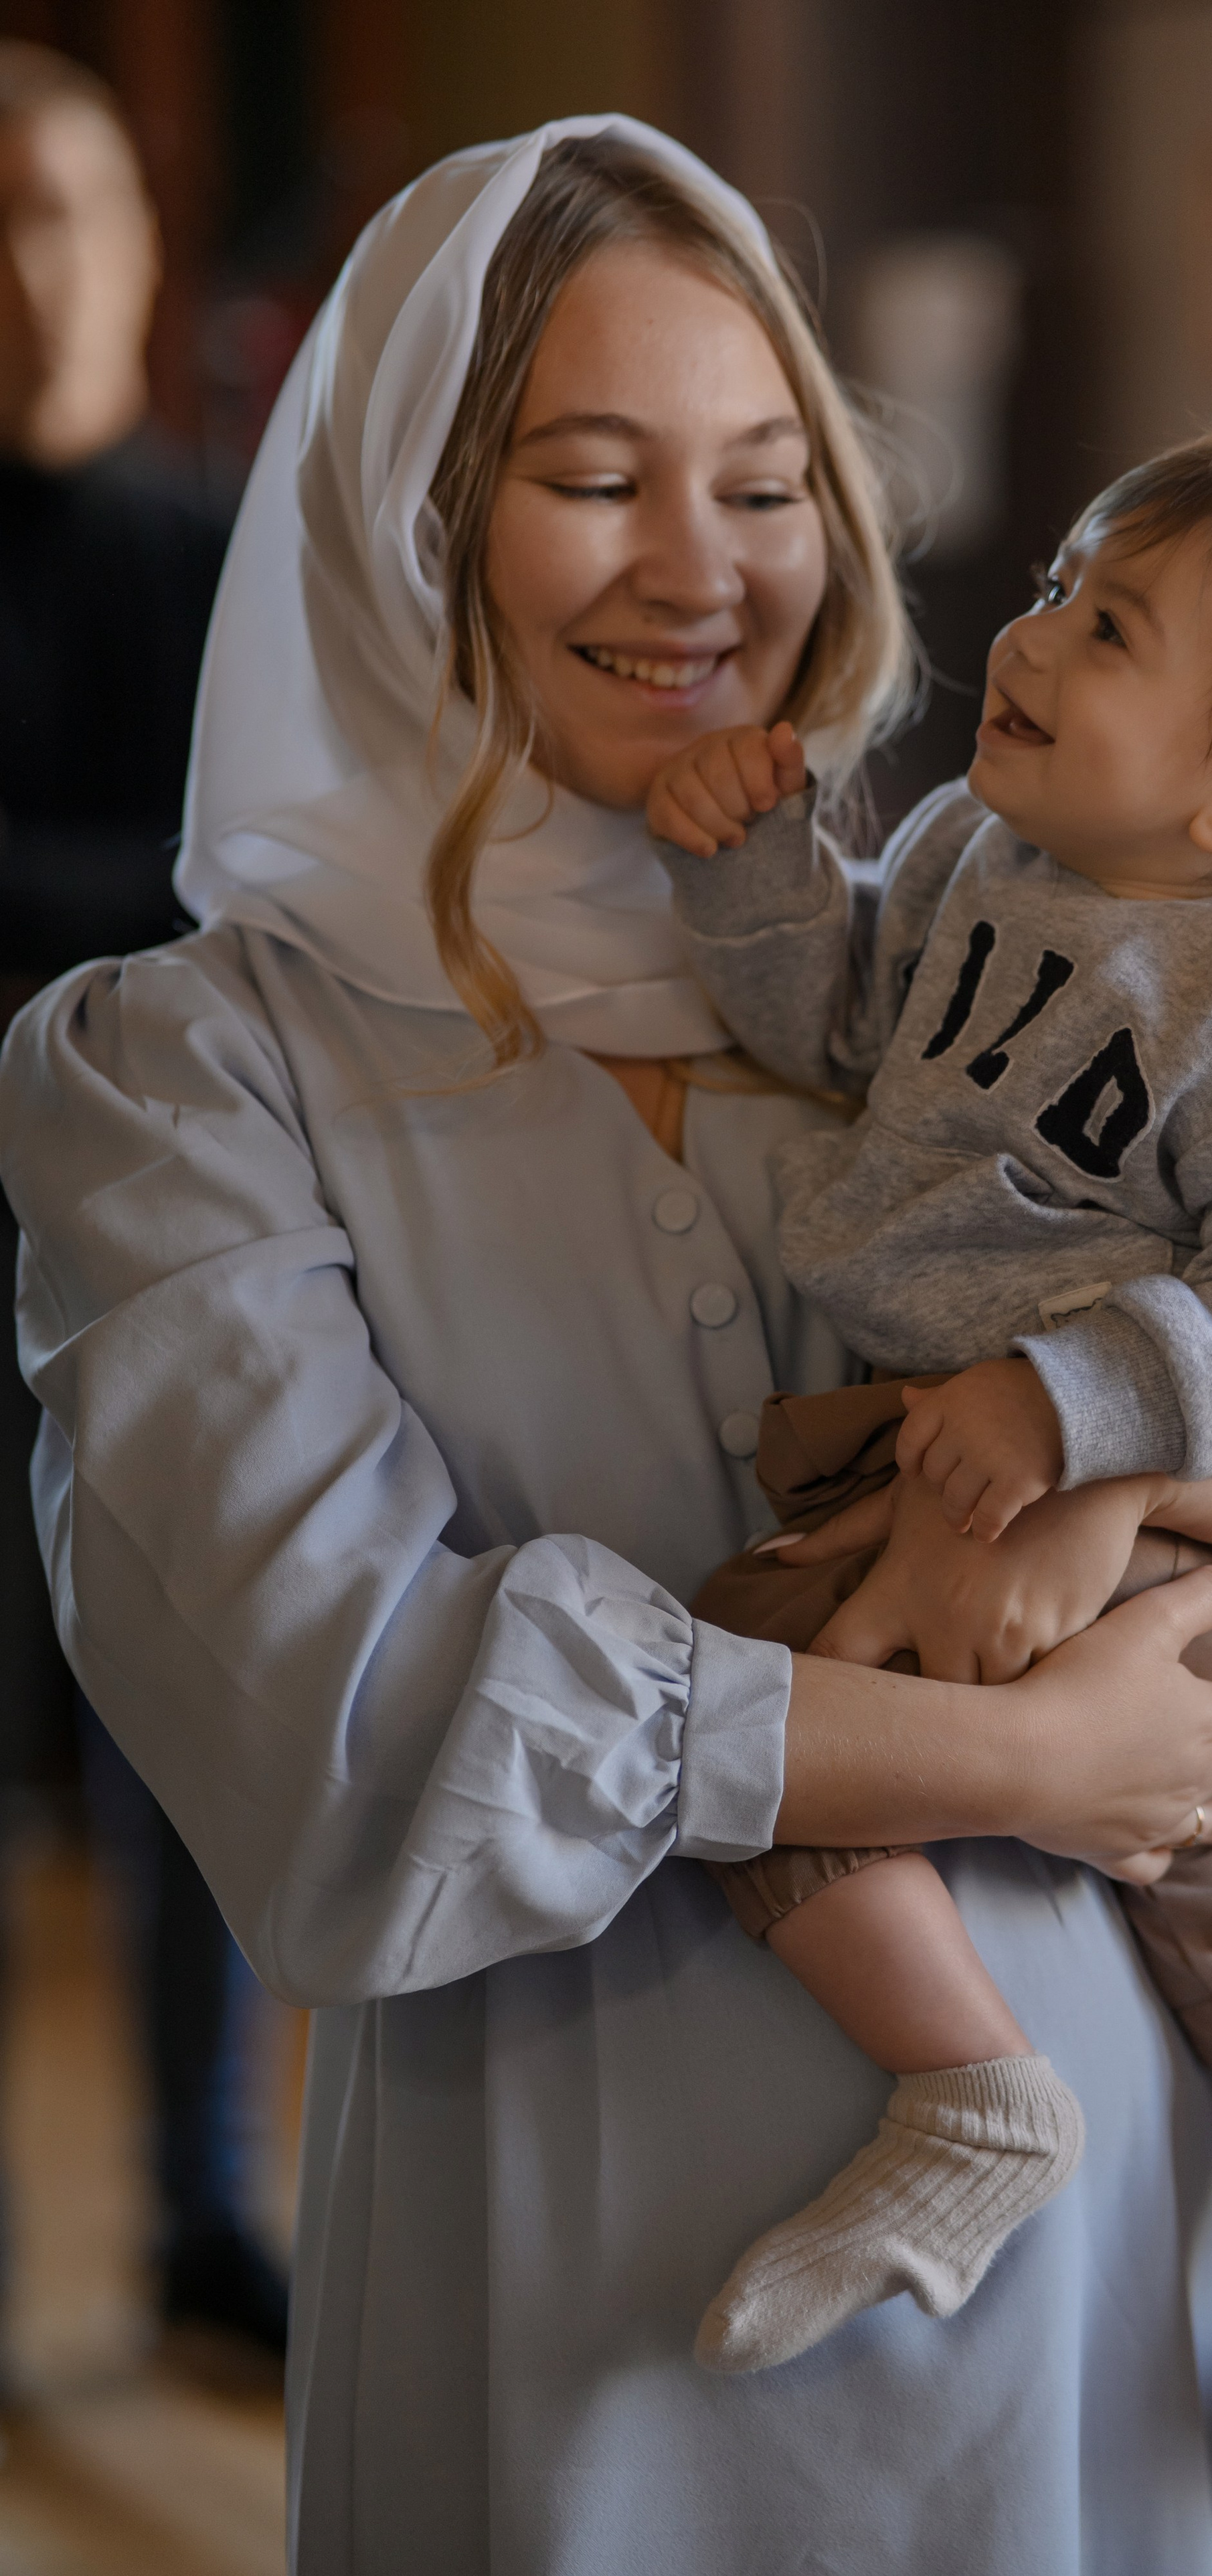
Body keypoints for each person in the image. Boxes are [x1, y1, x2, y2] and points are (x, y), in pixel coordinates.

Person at [0, 118, 1212, 2574]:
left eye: (764, 483)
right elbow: (342, 1712)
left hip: (1126, 2280)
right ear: (408, 516)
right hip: (588, 2292)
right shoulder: (189, 1072)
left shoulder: (983, 933)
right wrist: (1030, 1756)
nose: (702, 570)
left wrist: (1157, 1476)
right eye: (592, 480)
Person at [646, 413, 1212, 2492]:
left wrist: (1088, 1423)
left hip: (1114, 1493)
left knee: (776, 1705)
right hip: (941, 1462)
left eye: (1112, 623)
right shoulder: (979, 857)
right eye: (1062, 582)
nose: (1035, 635)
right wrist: (753, 871)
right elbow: (850, 1034)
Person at [0, 40, 286, 2362]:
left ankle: (203, 2221)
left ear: (133, 244)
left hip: (183, 1274)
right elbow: (184, 915)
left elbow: (263, 913)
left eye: (58, 209)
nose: (24, 266)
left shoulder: (227, 558)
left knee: (194, 1770)